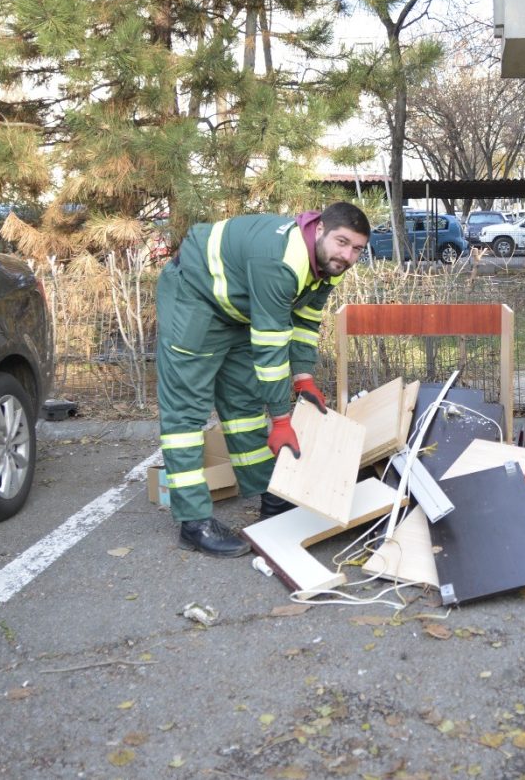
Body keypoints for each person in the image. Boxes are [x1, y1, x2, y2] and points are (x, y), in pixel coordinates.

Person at [156, 203, 371, 556]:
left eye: (357, 249)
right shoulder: (281, 261)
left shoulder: (331, 263)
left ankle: (271, 498)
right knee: (186, 413)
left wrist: (304, 377)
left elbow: (304, 321)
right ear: (319, 229)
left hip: (236, 309)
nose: (347, 255)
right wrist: (282, 419)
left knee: (244, 405)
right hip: (193, 298)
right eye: (342, 242)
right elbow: (270, 348)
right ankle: (193, 522)